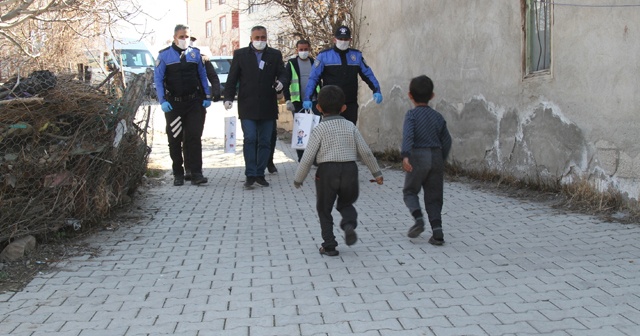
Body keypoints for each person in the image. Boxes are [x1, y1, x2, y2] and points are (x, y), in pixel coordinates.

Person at [293, 85, 384, 257]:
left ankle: (329, 245)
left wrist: (299, 179)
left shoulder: (319, 129)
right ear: (343, 108)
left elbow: (308, 157)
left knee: (324, 208)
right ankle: (349, 224)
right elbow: (365, 151)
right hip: (350, 169)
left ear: (318, 108)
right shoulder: (350, 126)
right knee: (345, 203)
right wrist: (377, 173)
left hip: (327, 171)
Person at [223, 25, 286, 189]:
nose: (260, 41)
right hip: (247, 106)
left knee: (265, 141)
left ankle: (260, 173)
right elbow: (232, 78)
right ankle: (250, 174)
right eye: (257, 38)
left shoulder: (274, 54)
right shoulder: (240, 55)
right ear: (251, 39)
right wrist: (228, 97)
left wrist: (281, 83)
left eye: (263, 38)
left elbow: (284, 73)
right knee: (250, 139)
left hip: (267, 105)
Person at [154, 24, 212, 186]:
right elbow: (158, 80)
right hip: (174, 105)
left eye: (187, 36)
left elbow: (202, 74)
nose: (184, 39)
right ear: (174, 37)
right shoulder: (165, 56)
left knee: (194, 137)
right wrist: (162, 101)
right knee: (174, 139)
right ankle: (178, 173)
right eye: (181, 36)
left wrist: (207, 95)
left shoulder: (195, 54)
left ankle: (196, 173)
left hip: (193, 102)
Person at [401, 75, 452, 245]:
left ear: (410, 95)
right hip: (436, 155)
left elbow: (408, 135)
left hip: (417, 156)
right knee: (434, 196)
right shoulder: (438, 117)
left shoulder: (411, 116)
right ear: (432, 96)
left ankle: (418, 219)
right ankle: (437, 231)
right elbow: (447, 140)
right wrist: (441, 158)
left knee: (410, 191)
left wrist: (406, 156)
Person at [302, 25, 382, 125]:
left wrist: (376, 90)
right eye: (340, 38)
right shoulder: (324, 56)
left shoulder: (356, 56)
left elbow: (368, 74)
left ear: (350, 40)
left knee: (349, 132)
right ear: (334, 40)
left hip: (350, 103)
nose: (343, 41)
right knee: (331, 133)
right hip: (330, 104)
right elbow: (313, 78)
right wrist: (307, 97)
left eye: (345, 39)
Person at [183, 36, 221, 181]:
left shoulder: (203, 59)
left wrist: (215, 91)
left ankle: (195, 170)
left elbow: (213, 76)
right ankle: (187, 168)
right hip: (180, 103)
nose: (189, 43)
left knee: (194, 135)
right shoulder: (176, 58)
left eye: (191, 41)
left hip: (198, 101)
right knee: (185, 137)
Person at [283, 39, 321, 162]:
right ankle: (302, 157)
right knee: (301, 129)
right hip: (298, 102)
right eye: (301, 50)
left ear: (309, 49)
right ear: (296, 50)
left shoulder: (314, 63)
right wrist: (288, 100)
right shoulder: (292, 63)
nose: (303, 52)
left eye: (305, 49)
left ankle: (314, 157)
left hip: (314, 101)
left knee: (316, 128)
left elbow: (319, 80)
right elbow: (286, 82)